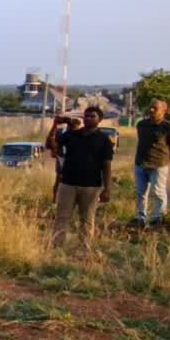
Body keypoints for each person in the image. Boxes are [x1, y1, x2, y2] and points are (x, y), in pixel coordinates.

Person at [46, 106, 114, 249]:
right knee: (62, 217)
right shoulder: (72, 135)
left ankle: (84, 248)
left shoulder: (104, 140)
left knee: (87, 219)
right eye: (86, 116)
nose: (88, 118)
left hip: (91, 186)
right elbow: (50, 145)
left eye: (92, 116)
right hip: (68, 184)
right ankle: (57, 247)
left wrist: (107, 189)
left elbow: (107, 166)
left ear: (100, 120)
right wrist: (55, 125)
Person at [133, 99, 170, 228]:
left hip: (158, 165)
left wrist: (165, 161)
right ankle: (141, 218)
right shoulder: (141, 125)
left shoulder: (169, 128)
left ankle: (159, 219)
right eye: (150, 108)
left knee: (158, 193)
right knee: (141, 193)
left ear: (164, 111)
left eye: (155, 108)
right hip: (140, 164)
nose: (151, 110)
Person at [51, 117, 82, 201]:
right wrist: (54, 125)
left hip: (75, 163)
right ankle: (55, 200)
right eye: (74, 128)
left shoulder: (80, 136)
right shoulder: (61, 134)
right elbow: (52, 144)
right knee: (59, 180)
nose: (75, 130)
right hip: (62, 160)